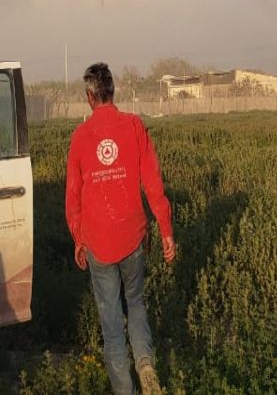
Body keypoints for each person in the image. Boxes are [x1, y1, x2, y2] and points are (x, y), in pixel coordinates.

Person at [65, 62, 176, 395]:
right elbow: (153, 184)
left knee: (111, 324)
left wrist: (79, 239)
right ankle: (145, 364)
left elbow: (73, 197)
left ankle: (125, 390)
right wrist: (166, 231)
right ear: (112, 92)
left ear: (90, 97)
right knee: (136, 303)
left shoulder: (80, 137)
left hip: (98, 243)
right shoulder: (134, 126)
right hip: (133, 237)